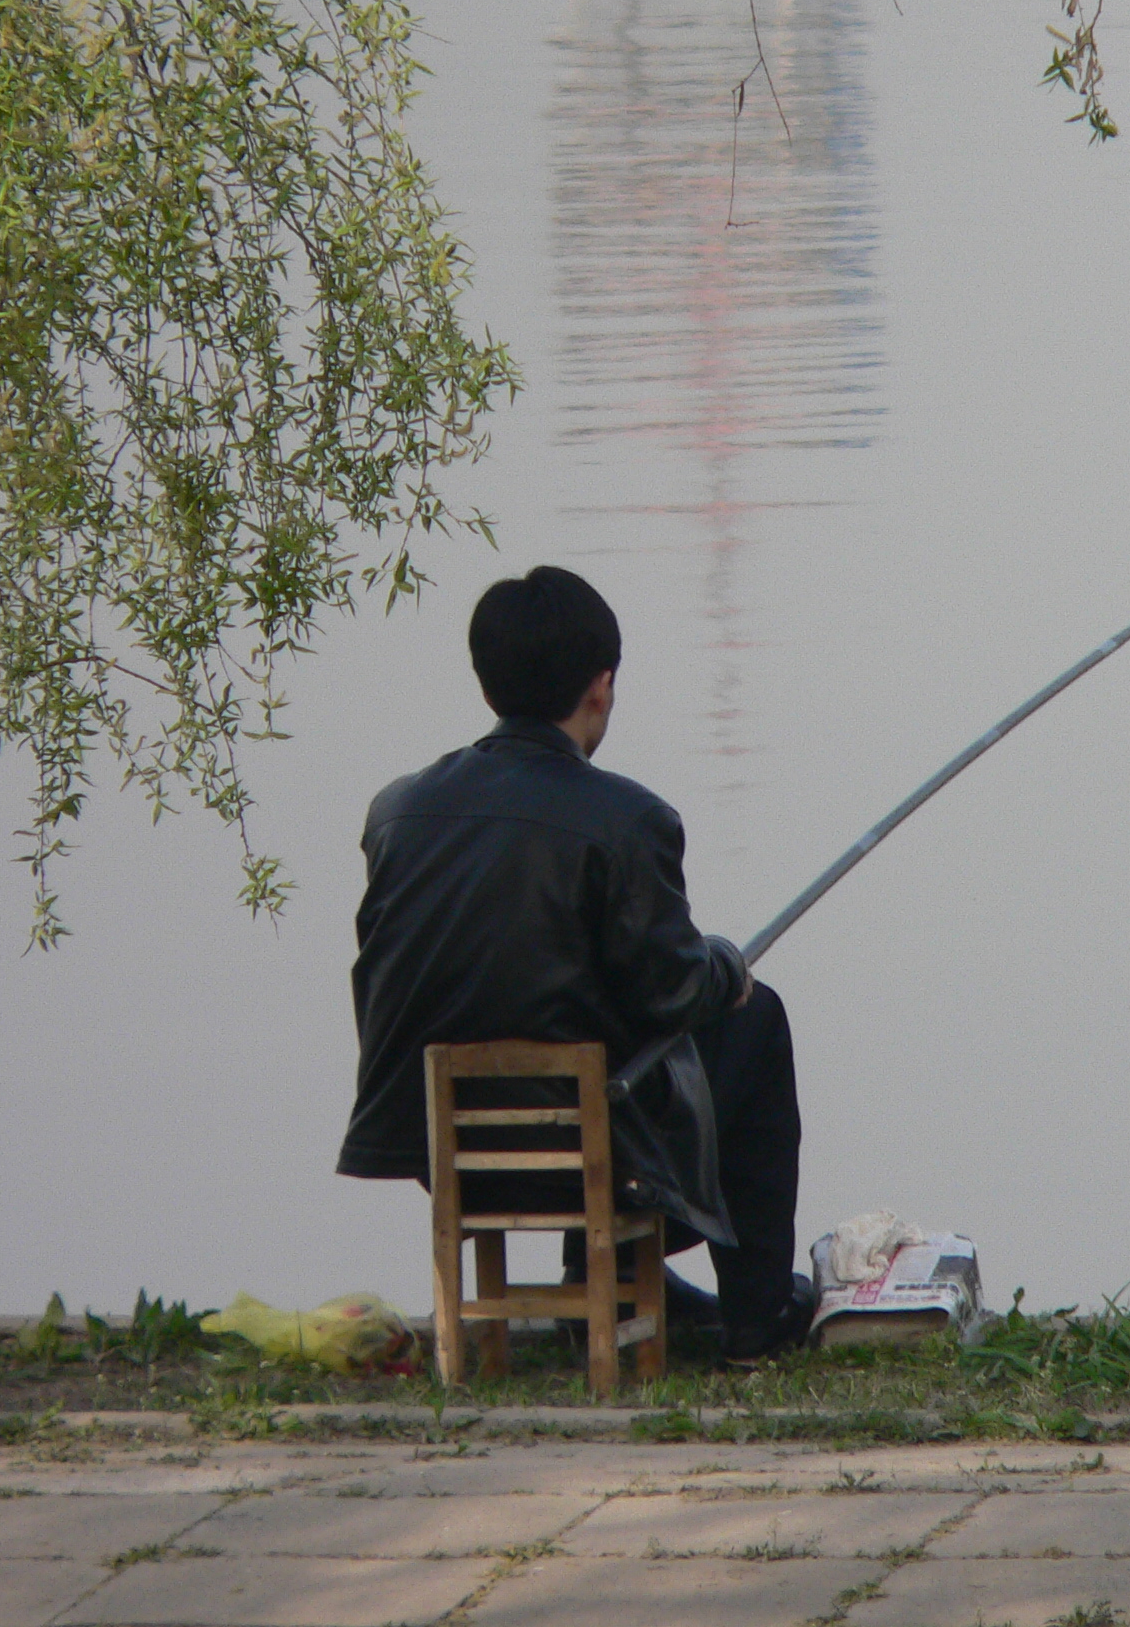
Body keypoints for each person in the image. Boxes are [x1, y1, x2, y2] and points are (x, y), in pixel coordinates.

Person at [335, 565, 812, 1363]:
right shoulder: (629, 818)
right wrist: (728, 966)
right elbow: (672, 991)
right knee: (754, 1020)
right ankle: (757, 1317)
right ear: (602, 685)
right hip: (588, 1156)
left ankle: (613, 1282)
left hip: (438, 1149)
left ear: (488, 687)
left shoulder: (396, 813)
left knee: (594, 1037)